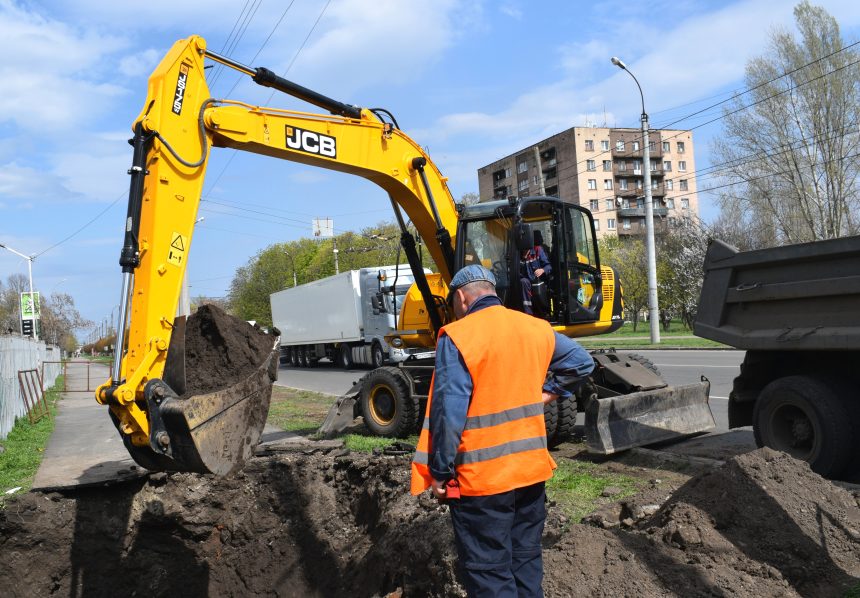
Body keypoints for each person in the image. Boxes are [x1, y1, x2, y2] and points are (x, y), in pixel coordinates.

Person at [411, 264, 594, 597]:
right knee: (525, 563)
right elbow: (581, 363)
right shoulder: (534, 327)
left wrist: (439, 473)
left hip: (483, 482)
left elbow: (448, 415)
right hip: (529, 474)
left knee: (489, 573)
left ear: (463, 298)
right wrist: (547, 393)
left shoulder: (459, 336)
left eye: (454, 301)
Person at [520, 235, 551, 315]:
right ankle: (527, 312)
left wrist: (542, 270)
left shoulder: (537, 250)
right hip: (526, 283)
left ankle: (542, 312)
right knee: (523, 282)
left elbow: (548, 266)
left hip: (538, 281)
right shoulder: (517, 254)